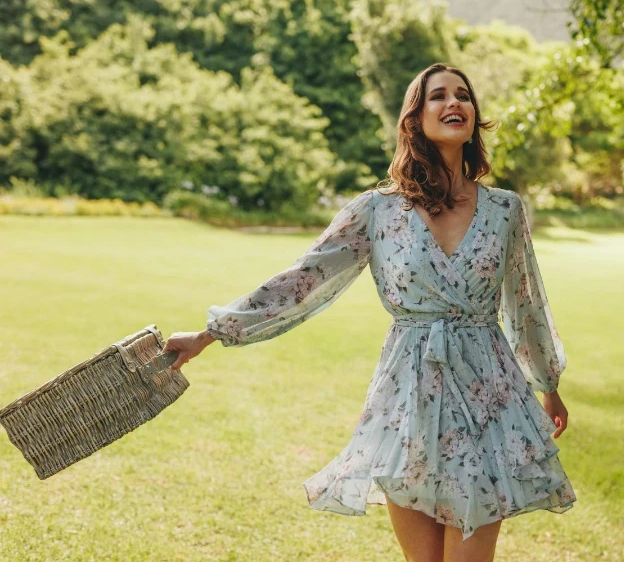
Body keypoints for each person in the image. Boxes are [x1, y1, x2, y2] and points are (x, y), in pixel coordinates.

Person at [162, 63, 576, 562]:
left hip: (485, 394)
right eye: (437, 96)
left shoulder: (506, 209)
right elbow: (303, 280)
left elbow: (526, 302)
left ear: (474, 116)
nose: (453, 104)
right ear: (414, 118)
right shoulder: (377, 211)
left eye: (463, 95)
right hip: (407, 402)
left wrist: (547, 384)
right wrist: (211, 333)